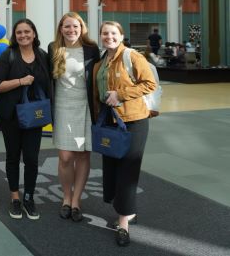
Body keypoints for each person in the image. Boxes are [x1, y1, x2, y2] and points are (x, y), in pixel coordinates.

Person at [92, 21, 156, 246]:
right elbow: (97, 93)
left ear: (121, 35)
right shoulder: (101, 62)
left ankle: (123, 223)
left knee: (127, 169)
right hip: (110, 121)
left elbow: (150, 83)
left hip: (133, 121)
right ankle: (127, 211)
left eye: (113, 33)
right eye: (104, 33)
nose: (108, 36)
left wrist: (120, 95)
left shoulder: (132, 57)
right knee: (111, 167)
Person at [0, 19, 52, 220]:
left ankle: (29, 197)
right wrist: (20, 81)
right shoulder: (8, 55)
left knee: (32, 159)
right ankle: (15, 198)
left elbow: (49, 84)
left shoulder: (43, 56)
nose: (23, 35)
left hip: (34, 115)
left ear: (34, 34)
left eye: (27, 31)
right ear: (15, 36)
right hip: (11, 116)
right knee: (13, 156)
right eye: (19, 32)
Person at [48, 12, 99, 222]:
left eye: (75, 26)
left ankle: (75, 200)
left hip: (85, 107)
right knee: (65, 157)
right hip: (62, 107)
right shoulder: (53, 48)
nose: (71, 30)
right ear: (61, 29)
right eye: (67, 27)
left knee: (83, 156)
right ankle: (66, 197)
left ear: (82, 28)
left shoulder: (91, 49)